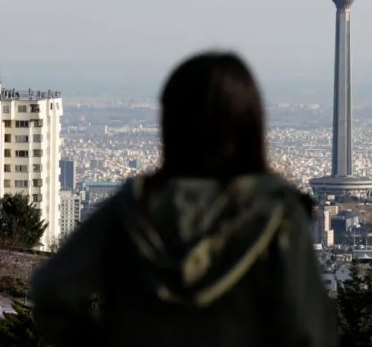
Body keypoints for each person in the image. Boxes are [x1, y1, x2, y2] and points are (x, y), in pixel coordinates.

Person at [31, 52, 338, 347]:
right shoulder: (275, 212)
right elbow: (311, 330)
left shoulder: (135, 206)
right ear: (250, 125)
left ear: (171, 123)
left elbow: (51, 289)